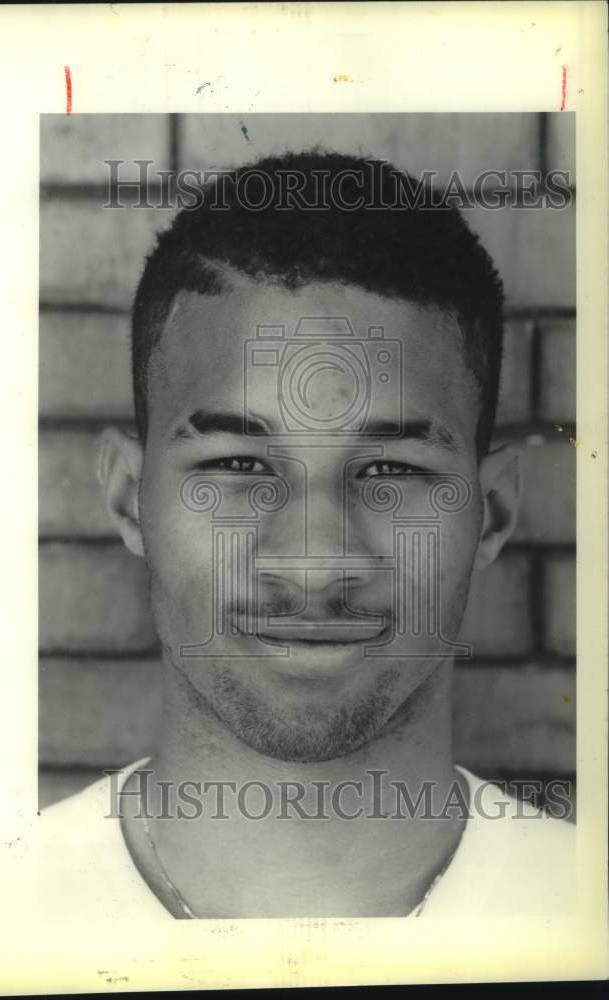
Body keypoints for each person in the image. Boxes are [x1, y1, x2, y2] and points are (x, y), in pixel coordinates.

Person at [39, 151, 575, 919]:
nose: (315, 564)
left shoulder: (584, 914)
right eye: (238, 463)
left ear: (489, 513)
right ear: (131, 500)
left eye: (390, 470)